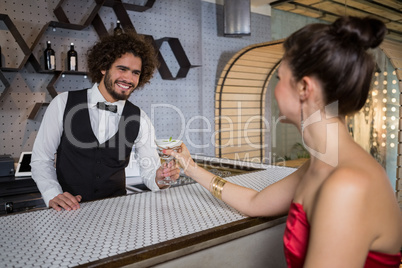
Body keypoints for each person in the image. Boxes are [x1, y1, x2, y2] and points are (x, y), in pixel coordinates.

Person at [166, 16, 402, 267]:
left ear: (304, 88)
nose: (274, 90)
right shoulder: (319, 165)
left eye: (279, 79)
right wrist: (190, 167)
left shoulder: (347, 185)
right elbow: (254, 203)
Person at [31, 32, 180, 212]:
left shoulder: (140, 118)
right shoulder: (62, 104)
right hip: (67, 213)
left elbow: (150, 172)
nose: (129, 79)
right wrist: (52, 193)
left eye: (135, 73)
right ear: (103, 67)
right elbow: (41, 159)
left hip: (117, 215)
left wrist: (161, 178)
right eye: (122, 69)